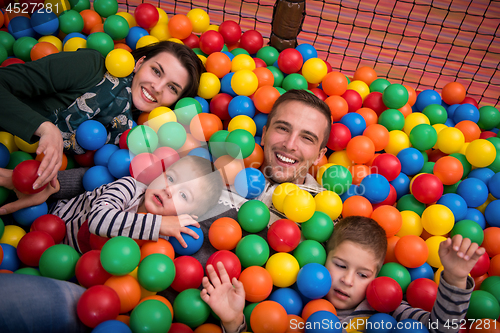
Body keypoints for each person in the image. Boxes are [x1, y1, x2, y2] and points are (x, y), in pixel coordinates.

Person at [0, 89, 333, 332]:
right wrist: (44, 182)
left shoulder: (315, 219)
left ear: (320, 155)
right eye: (283, 128)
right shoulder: (219, 159)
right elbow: (124, 179)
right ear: (264, 131)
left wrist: (236, 323)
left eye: (307, 138)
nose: (289, 145)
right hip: (79, 258)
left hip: (145, 310)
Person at [201, 216, 484, 333]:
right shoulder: (291, 302)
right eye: (340, 265)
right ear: (324, 258)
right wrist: (234, 319)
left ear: (377, 277)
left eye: (363, 275)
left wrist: (456, 279)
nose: (348, 280)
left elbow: (441, 328)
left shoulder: (388, 310)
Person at [0, 41, 204, 190]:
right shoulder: (90, 65)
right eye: (156, 71)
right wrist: (44, 127)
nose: (157, 88)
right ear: (139, 63)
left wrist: (42, 185)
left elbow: (99, 175)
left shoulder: (139, 136)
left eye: (172, 88)